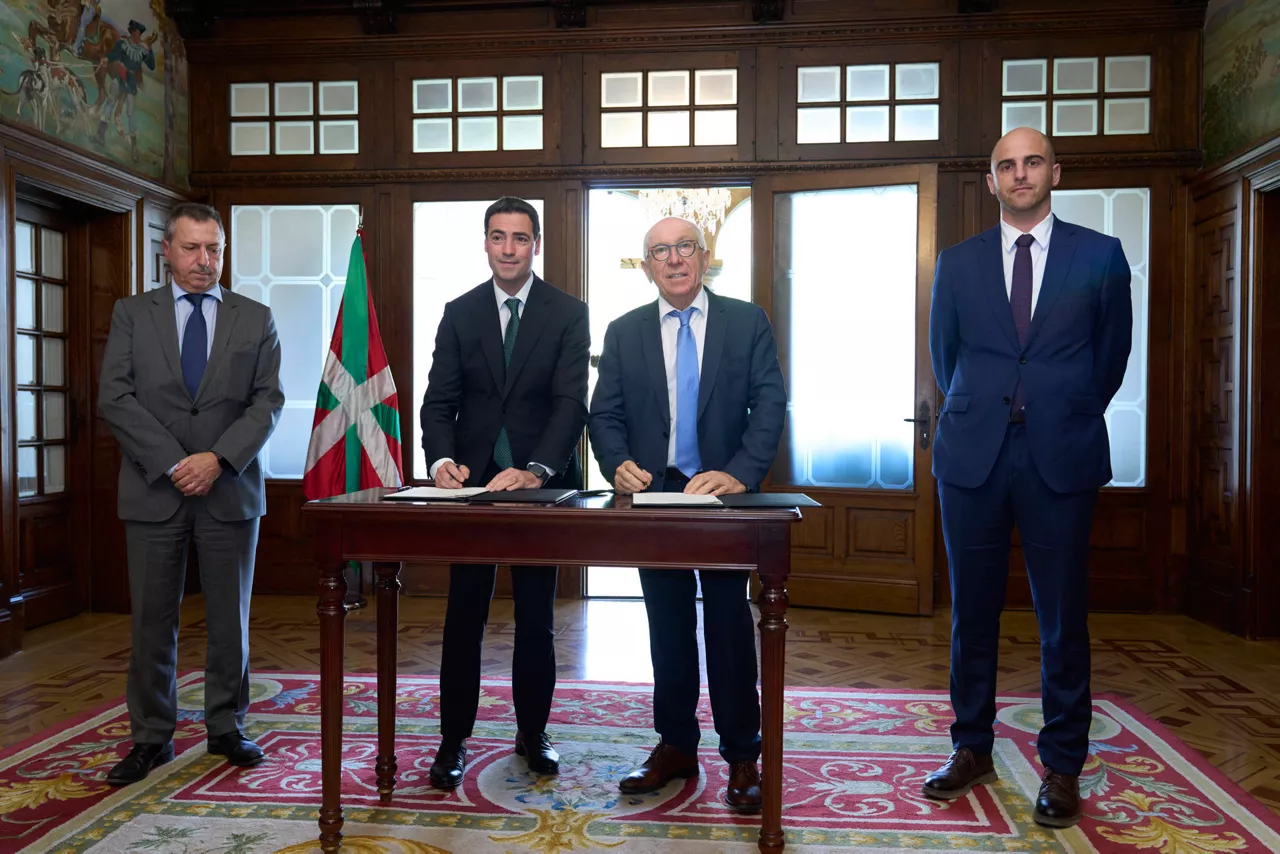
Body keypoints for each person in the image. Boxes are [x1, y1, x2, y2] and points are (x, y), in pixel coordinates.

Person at [924, 127, 1133, 826]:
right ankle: (971, 746)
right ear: (991, 182)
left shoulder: (1100, 256)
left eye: (1032, 162)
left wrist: (1059, 409)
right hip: (972, 456)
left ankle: (1063, 764)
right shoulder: (955, 263)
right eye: (1006, 166)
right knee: (972, 617)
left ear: (1055, 173)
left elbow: (1110, 362)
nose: (1020, 174)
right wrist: (987, 408)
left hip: (1061, 454)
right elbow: (944, 357)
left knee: (1061, 619)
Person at [587, 216, 787, 813]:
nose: (673, 260)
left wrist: (742, 474)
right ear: (647, 266)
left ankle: (743, 753)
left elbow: (770, 402)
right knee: (666, 626)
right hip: (656, 496)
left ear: (704, 258)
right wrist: (617, 464)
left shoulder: (746, 321)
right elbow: (605, 417)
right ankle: (675, 744)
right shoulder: (624, 332)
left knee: (727, 625)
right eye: (659, 252)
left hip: (722, 496)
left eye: (683, 249)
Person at [98, 202, 284, 785]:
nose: (205, 261)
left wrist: (218, 460)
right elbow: (115, 398)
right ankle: (151, 737)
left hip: (229, 488)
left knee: (231, 618)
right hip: (157, 488)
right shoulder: (132, 314)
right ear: (166, 251)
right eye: (192, 249)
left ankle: (226, 726)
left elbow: (268, 402)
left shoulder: (255, 318)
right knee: (153, 621)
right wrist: (176, 462)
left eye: (215, 250)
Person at [419, 196, 590, 789]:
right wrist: (440, 459)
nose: (509, 248)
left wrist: (539, 470)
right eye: (499, 237)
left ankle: (533, 733)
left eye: (520, 238)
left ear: (535, 244)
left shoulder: (568, 312)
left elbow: (571, 403)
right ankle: (452, 739)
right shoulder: (459, 313)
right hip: (471, 489)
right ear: (486, 243)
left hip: (539, 489)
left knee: (537, 618)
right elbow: (439, 402)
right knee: (463, 615)